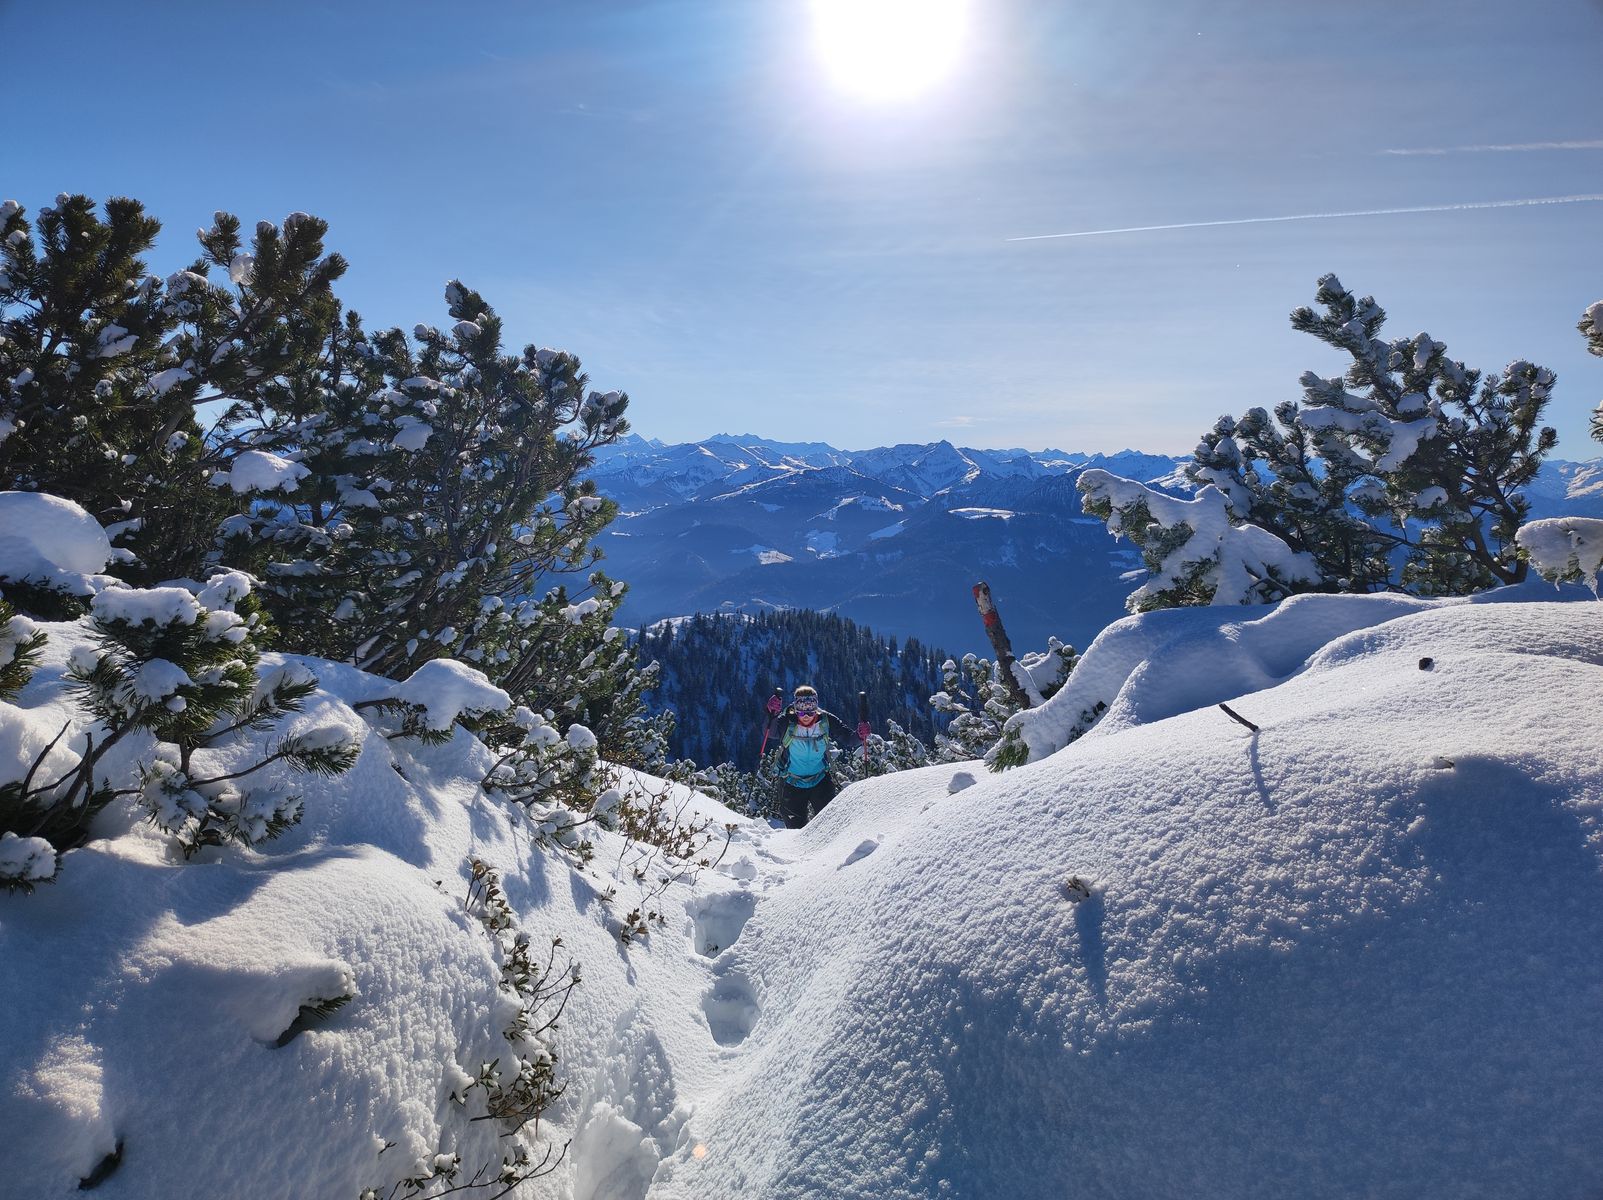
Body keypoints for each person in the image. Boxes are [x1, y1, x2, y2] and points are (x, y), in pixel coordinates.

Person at [766, 685, 856, 828]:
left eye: (810, 708)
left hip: (820, 781)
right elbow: (770, 732)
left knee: (829, 826)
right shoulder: (787, 721)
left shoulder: (825, 720)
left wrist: (861, 734)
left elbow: (849, 738)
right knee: (796, 830)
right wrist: (772, 714)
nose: (806, 715)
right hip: (792, 783)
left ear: (816, 707)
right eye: (801, 708)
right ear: (795, 707)